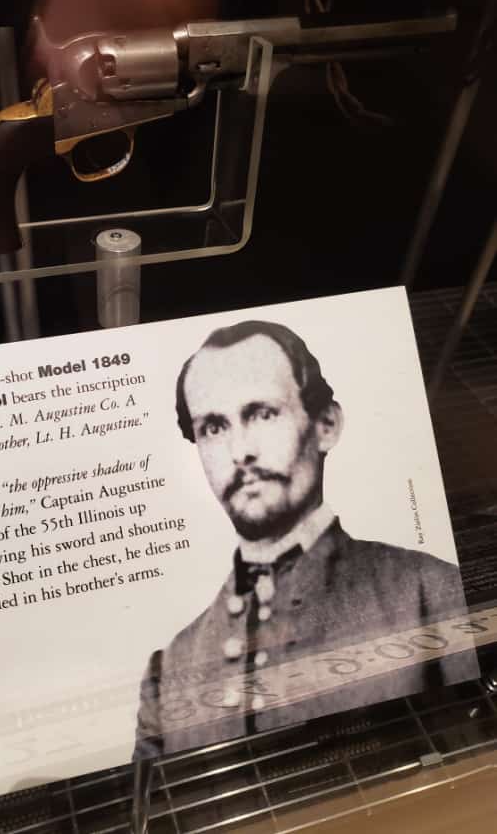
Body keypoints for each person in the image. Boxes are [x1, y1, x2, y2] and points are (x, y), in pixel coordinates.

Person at [133, 319, 472, 759]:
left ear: (326, 425)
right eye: (213, 428)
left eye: (262, 413)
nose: (240, 452)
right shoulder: (170, 669)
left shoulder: (433, 592)